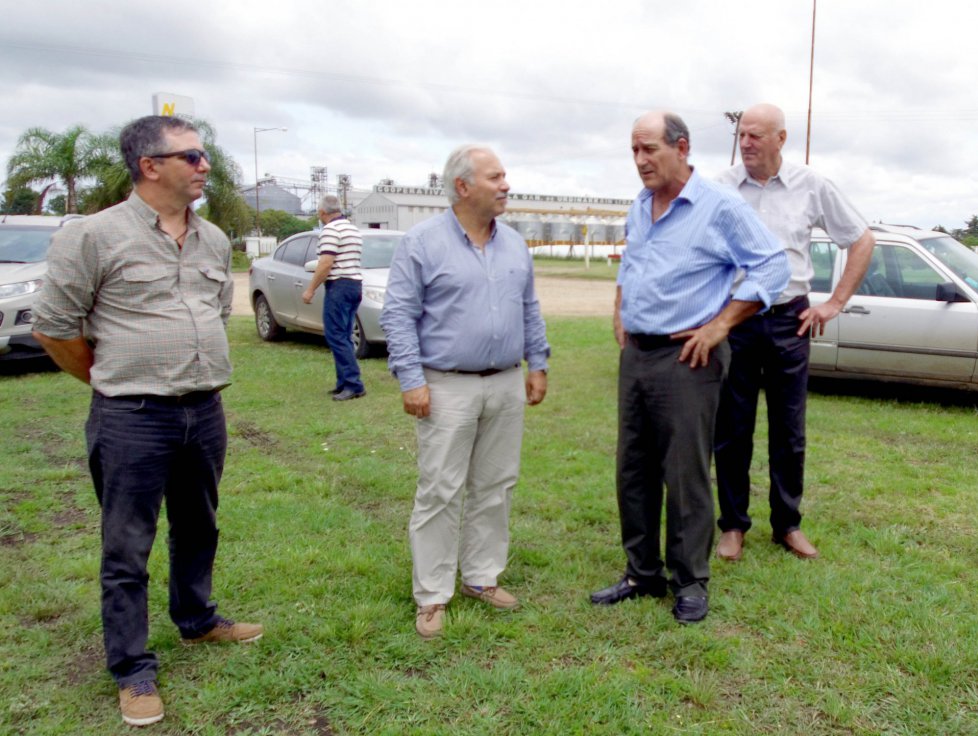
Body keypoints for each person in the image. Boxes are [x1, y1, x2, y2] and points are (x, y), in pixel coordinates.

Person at [32, 115, 262, 727]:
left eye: (203, 155)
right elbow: (54, 327)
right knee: (127, 545)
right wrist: (112, 379)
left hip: (203, 410)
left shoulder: (214, 239)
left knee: (199, 524)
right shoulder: (94, 236)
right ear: (150, 165)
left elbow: (215, 309)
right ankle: (132, 670)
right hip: (131, 416)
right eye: (191, 156)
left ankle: (197, 619)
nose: (205, 165)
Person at [590, 111, 789, 624]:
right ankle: (642, 572)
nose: (640, 161)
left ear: (682, 148)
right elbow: (633, 262)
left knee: (684, 472)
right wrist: (620, 310)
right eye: (634, 151)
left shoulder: (719, 206)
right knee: (633, 468)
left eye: (649, 149)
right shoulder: (640, 205)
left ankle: (690, 581)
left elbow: (772, 264)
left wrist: (721, 325)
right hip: (638, 354)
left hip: (688, 357)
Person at [380, 144, 550, 640]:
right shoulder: (422, 242)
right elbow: (398, 315)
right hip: (445, 385)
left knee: (496, 485)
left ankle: (481, 576)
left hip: (505, 382)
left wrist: (538, 363)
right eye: (495, 177)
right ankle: (432, 594)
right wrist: (411, 379)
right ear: (463, 185)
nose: (506, 185)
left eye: (505, 175)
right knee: (440, 489)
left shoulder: (514, 244)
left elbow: (529, 307)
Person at [714, 103, 874, 562]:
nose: (746, 143)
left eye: (756, 135)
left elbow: (861, 238)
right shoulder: (720, 187)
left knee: (788, 429)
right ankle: (733, 526)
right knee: (732, 427)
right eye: (742, 135)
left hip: (791, 319)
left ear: (781, 139)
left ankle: (787, 525)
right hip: (736, 319)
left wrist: (834, 302)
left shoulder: (811, 185)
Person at [301, 195, 366, 401]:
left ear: (322, 212)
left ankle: (353, 384)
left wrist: (310, 289)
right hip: (354, 284)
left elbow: (326, 263)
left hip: (339, 285)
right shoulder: (352, 229)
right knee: (344, 335)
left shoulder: (330, 230)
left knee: (335, 335)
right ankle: (343, 382)